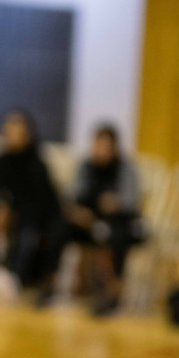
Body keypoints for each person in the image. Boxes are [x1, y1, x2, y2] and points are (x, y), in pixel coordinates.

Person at [0, 109, 65, 304]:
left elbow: (45, 203)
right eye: (8, 127)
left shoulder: (36, 164)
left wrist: (12, 213)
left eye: (17, 127)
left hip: (36, 219)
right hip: (3, 217)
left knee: (36, 232)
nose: (11, 132)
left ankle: (22, 280)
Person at [64, 124, 145, 315]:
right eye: (98, 144)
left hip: (119, 222)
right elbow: (72, 197)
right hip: (89, 221)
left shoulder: (125, 168)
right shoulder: (85, 167)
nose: (101, 150)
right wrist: (78, 212)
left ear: (114, 147)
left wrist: (116, 203)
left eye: (106, 145)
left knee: (116, 236)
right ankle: (49, 284)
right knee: (60, 227)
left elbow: (132, 201)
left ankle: (113, 291)